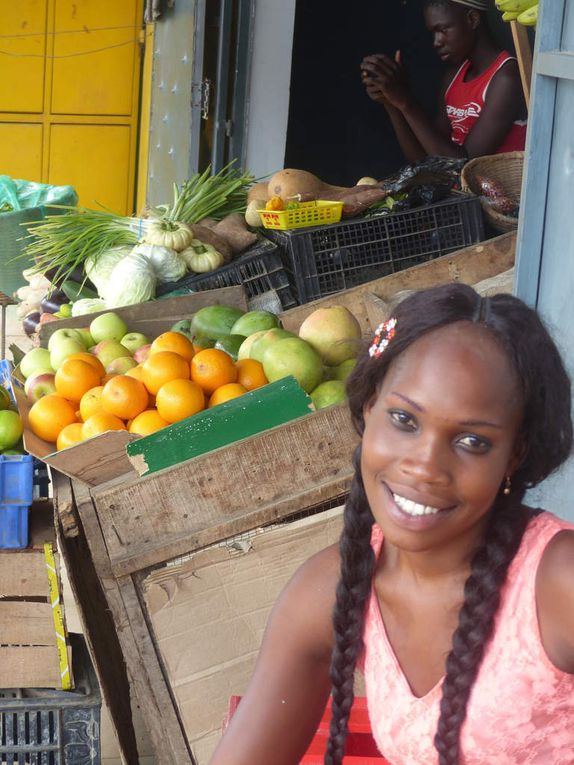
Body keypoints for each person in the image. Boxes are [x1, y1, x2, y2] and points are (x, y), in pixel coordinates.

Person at [209, 283, 574, 765]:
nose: (424, 466)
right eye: (404, 419)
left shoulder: (557, 586)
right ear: (368, 409)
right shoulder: (333, 589)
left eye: (472, 442)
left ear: (513, 456)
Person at [361, 0, 527, 162]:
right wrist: (392, 103)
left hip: (495, 188)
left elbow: (464, 166)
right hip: (458, 189)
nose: (436, 42)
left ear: (472, 19)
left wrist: (406, 102)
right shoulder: (453, 76)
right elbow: (426, 160)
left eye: (442, 29)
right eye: (433, 33)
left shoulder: (506, 77)